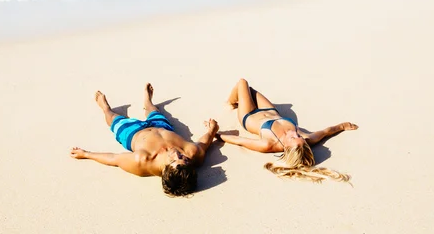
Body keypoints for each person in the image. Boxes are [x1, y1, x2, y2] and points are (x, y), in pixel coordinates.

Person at [70, 83, 219, 196]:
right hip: (162, 127)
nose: (177, 154)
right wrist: (212, 130)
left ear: (165, 169)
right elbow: (204, 142)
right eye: (184, 159)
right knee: (153, 111)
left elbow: (114, 159)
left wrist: (86, 154)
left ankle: (105, 107)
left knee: (113, 120)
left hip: (133, 133)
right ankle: (147, 101)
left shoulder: (142, 160)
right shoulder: (193, 154)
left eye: (174, 160)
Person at [218, 78, 358, 183]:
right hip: (270, 111)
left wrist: (216, 134)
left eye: (293, 137)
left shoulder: (269, 144)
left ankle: (230, 103)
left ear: (286, 148)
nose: (295, 133)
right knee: (250, 90)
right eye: (299, 135)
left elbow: (239, 140)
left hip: (248, 115)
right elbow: (326, 131)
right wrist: (342, 126)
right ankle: (241, 98)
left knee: (242, 83)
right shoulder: (307, 139)